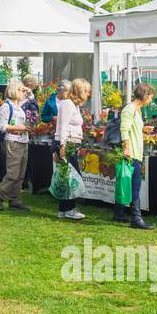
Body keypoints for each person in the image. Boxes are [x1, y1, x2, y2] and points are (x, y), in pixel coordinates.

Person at [118, 83, 155, 229]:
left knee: (128, 183)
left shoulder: (136, 110)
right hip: (132, 153)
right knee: (135, 184)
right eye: (150, 97)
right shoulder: (130, 109)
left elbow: (132, 127)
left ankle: (119, 213)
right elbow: (124, 129)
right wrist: (126, 147)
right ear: (144, 95)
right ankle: (136, 218)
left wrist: (142, 128)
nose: (150, 100)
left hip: (135, 152)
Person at [54, 79, 90, 220]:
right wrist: (62, 145)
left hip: (71, 144)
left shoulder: (74, 105)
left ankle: (64, 209)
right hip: (66, 144)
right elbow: (62, 126)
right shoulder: (68, 104)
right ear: (80, 91)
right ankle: (69, 209)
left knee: (66, 177)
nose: (88, 94)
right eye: (86, 91)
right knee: (71, 178)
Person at [0, 81, 30, 211]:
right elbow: (1, 126)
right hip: (13, 142)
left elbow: (31, 97)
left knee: (20, 175)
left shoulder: (19, 106)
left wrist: (26, 89)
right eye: (21, 90)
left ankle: (15, 200)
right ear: (14, 91)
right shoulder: (6, 106)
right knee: (13, 174)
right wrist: (20, 128)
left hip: (23, 141)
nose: (23, 92)